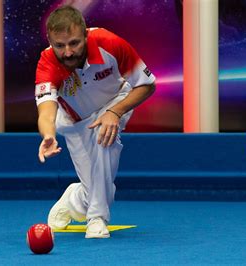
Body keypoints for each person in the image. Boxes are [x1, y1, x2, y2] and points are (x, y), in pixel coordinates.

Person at [35, 5, 156, 238]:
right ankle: (72, 200)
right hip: (74, 121)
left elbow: (147, 85)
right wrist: (48, 135)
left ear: (85, 35)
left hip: (115, 101)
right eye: (60, 45)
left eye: (74, 43)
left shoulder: (109, 43)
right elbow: (46, 111)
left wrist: (115, 112)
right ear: (50, 41)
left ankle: (96, 219)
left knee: (104, 133)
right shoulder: (47, 63)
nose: (68, 52)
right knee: (101, 190)